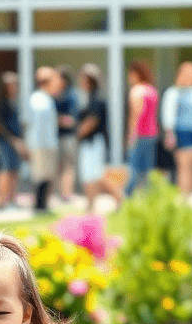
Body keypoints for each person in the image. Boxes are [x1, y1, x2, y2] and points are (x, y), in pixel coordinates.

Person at [75, 64, 123, 212]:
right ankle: (90, 205)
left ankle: (119, 198)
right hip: (91, 143)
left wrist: (77, 132)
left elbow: (91, 122)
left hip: (93, 142)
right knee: (90, 176)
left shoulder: (96, 99)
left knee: (96, 175)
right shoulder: (88, 98)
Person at [162, 61, 192, 206]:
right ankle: (184, 199)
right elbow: (168, 115)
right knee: (185, 167)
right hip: (181, 132)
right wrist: (170, 134)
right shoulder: (173, 92)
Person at [123, 60, 159, 198]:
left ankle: (125, 198)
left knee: (134, 168)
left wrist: (131, 136)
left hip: (139, 134)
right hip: (151, 133)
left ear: (135, 74)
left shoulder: (136, 91)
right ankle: (147, 197)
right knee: (147, 169)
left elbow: (135, 115)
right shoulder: (151, 90)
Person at [27, 67, 61, 212]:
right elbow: (38, 126)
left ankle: (42, 205)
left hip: (46, 143)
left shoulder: (45, 98)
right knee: (42, 176)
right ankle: (40, 206)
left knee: (46, 175)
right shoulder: (39, 100)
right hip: (42, 144)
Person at [0, 71, 27, 210]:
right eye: (11, 84)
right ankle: (1, 202)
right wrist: (12, 139)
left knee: (15, 171)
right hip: (5, 141)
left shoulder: (14, 101)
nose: (14, 86)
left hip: (16, 141)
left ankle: (12, 200)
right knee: (5, 170)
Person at [54, 65, 79, 204]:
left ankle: (67, 195)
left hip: (68, 137)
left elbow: (71, 120)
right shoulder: (54, 94)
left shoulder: (71, 94)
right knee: (58, 166)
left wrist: (56, 119)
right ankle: (60, 194)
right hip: (56, 137)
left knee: (68, 166)